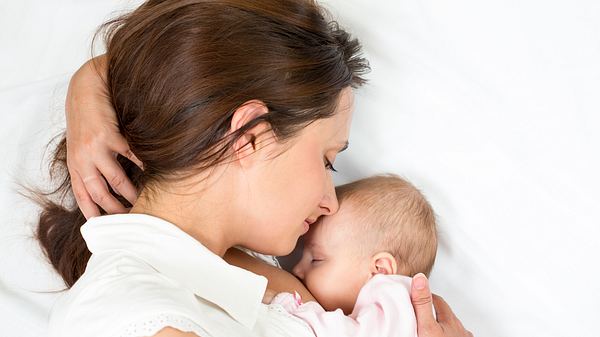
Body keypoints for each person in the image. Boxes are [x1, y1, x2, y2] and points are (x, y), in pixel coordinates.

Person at [44, 1, 472, 336]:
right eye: (327, 160)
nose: (329, 202)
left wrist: (94, 80)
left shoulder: (251, 279)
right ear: (249, 136)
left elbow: (184, 59)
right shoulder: (139, 312)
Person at [228, 175, 437, 337]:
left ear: (379, 270)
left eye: (316, 260)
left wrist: (289, 305)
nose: (297, 270)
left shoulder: (394, 304)